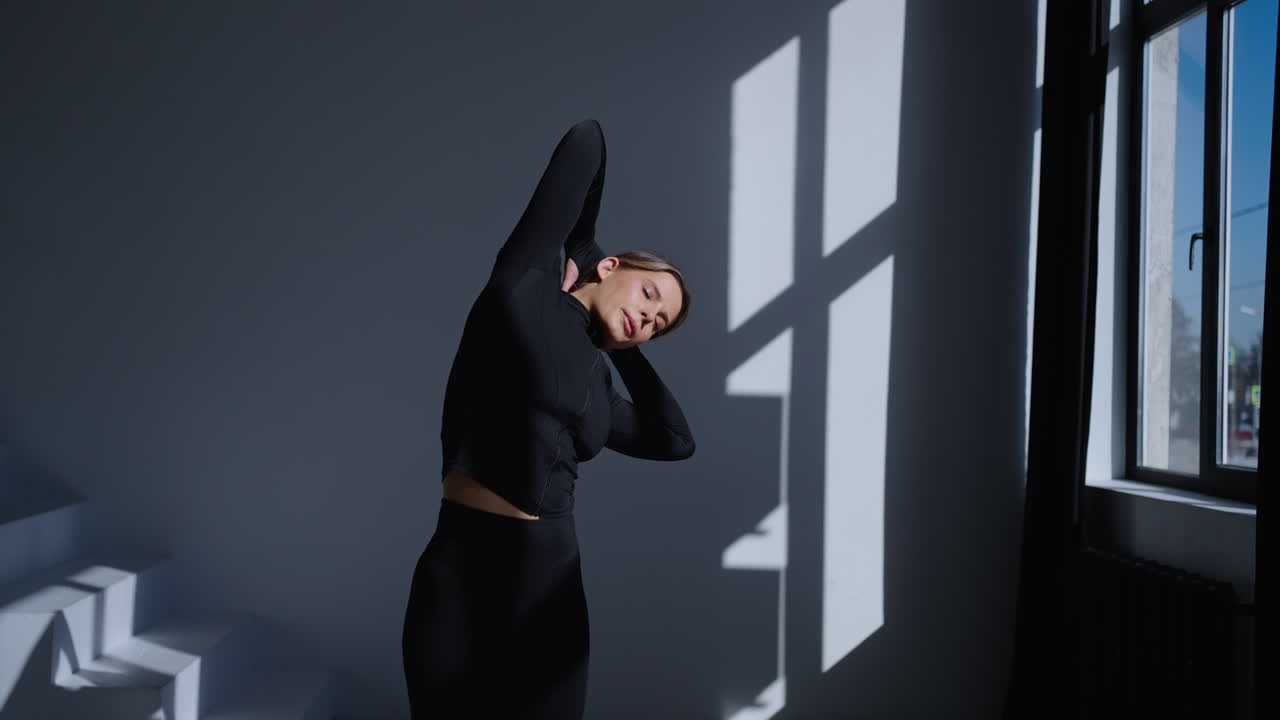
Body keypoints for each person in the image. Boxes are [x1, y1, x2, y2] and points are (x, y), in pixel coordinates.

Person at [401, 118, 696, 719]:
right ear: (612, 267)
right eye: (648, 296)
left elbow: (674, 440)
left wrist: (626, 346)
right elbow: (587, 141)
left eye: (659, 324)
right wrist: (584, 249)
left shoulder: (599, 384)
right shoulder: (524, 286)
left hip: (551, 583)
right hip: (463, 568)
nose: (649, 319)